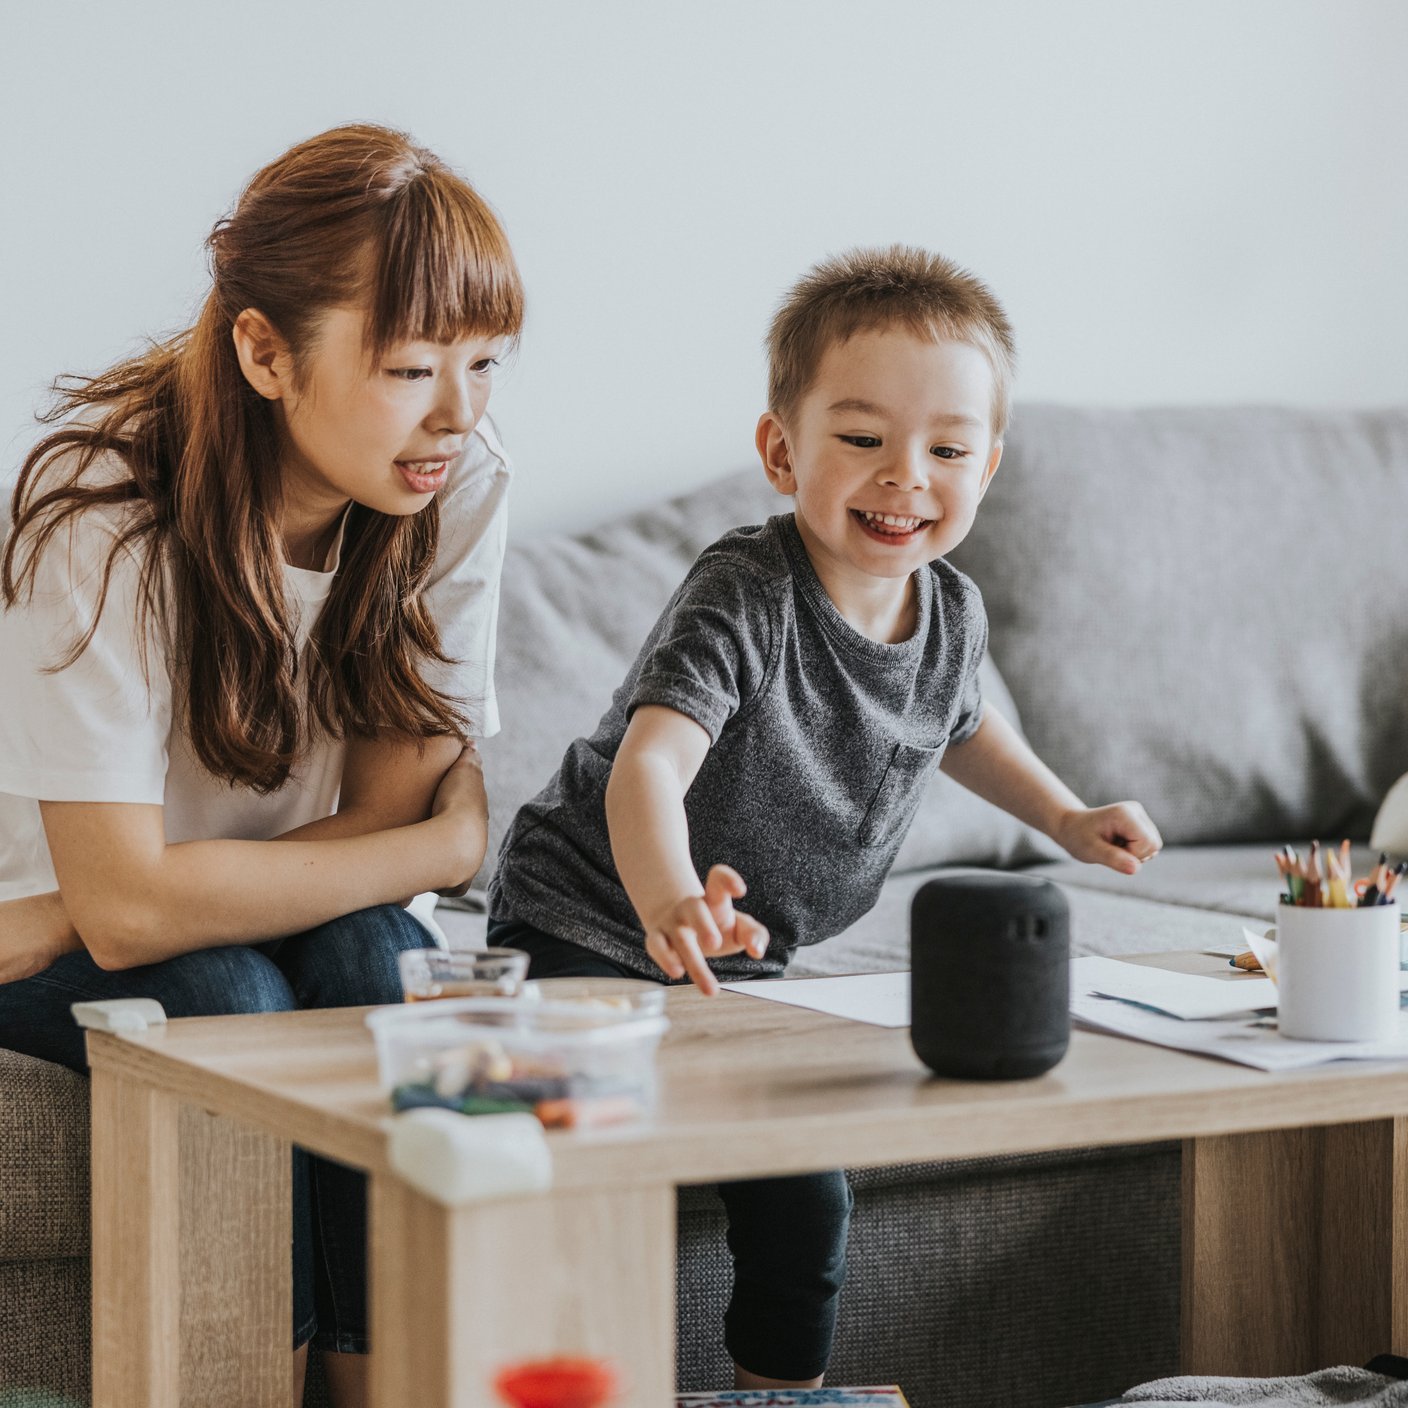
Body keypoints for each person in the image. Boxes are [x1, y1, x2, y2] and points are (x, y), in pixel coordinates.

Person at [487, 245, 1163, 1389]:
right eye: (862, 439)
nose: (905, 475)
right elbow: (646, 768)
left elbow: (963, 729)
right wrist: (666, 898)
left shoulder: (950, 612)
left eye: (945, 449)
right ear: (780, 449)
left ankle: (779, 1393)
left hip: (743, 955)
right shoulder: (747, 592)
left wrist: (1064, 813)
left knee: (805, 1187)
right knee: (583, 1164)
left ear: (986, 466)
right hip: (592, 916)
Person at [0, 123, 524, 1407]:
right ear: (262, 350)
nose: (456, 414)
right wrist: (440, 853)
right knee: (229, 991)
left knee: (375, 964)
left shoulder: (454, 490)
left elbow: (373, 812)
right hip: (50, 939)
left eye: (484, 364)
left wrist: (135, 895)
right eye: (410, 368)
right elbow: (130, 918)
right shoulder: (100, 505)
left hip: (122, 919)